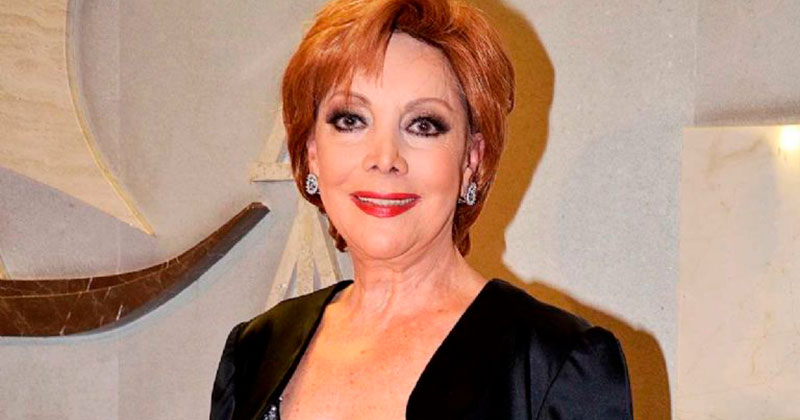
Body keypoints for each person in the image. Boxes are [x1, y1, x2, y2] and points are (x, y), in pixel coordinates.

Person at [210, 0, 634, 419]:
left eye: (423, 125)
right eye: (351, 120)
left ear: (471, 160)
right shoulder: (254, 352)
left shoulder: (557, 365)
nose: (385, 158)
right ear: (312, 151)